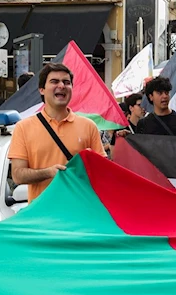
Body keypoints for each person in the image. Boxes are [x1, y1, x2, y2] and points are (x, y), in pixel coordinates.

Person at [8, 62, 106, 203]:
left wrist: (89, 165)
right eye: (54, 81)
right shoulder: (23, 128)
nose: (61, 86)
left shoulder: (89, 126)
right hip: (42, 215)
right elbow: (17, 175)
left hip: (80, 212)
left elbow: (102, 173)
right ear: (42, 89)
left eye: (66, 82)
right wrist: (48, 173)